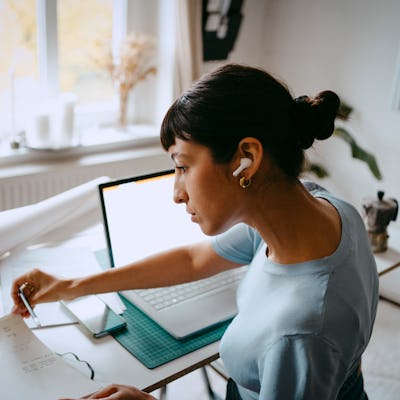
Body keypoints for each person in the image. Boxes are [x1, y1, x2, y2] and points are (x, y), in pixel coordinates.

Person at [11, 64, 379, 400]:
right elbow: (194, 259)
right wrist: (69, 286)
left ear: (245, 159)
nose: (176, 192)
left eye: (183, 166)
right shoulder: (322, 207)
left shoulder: (300, 332)